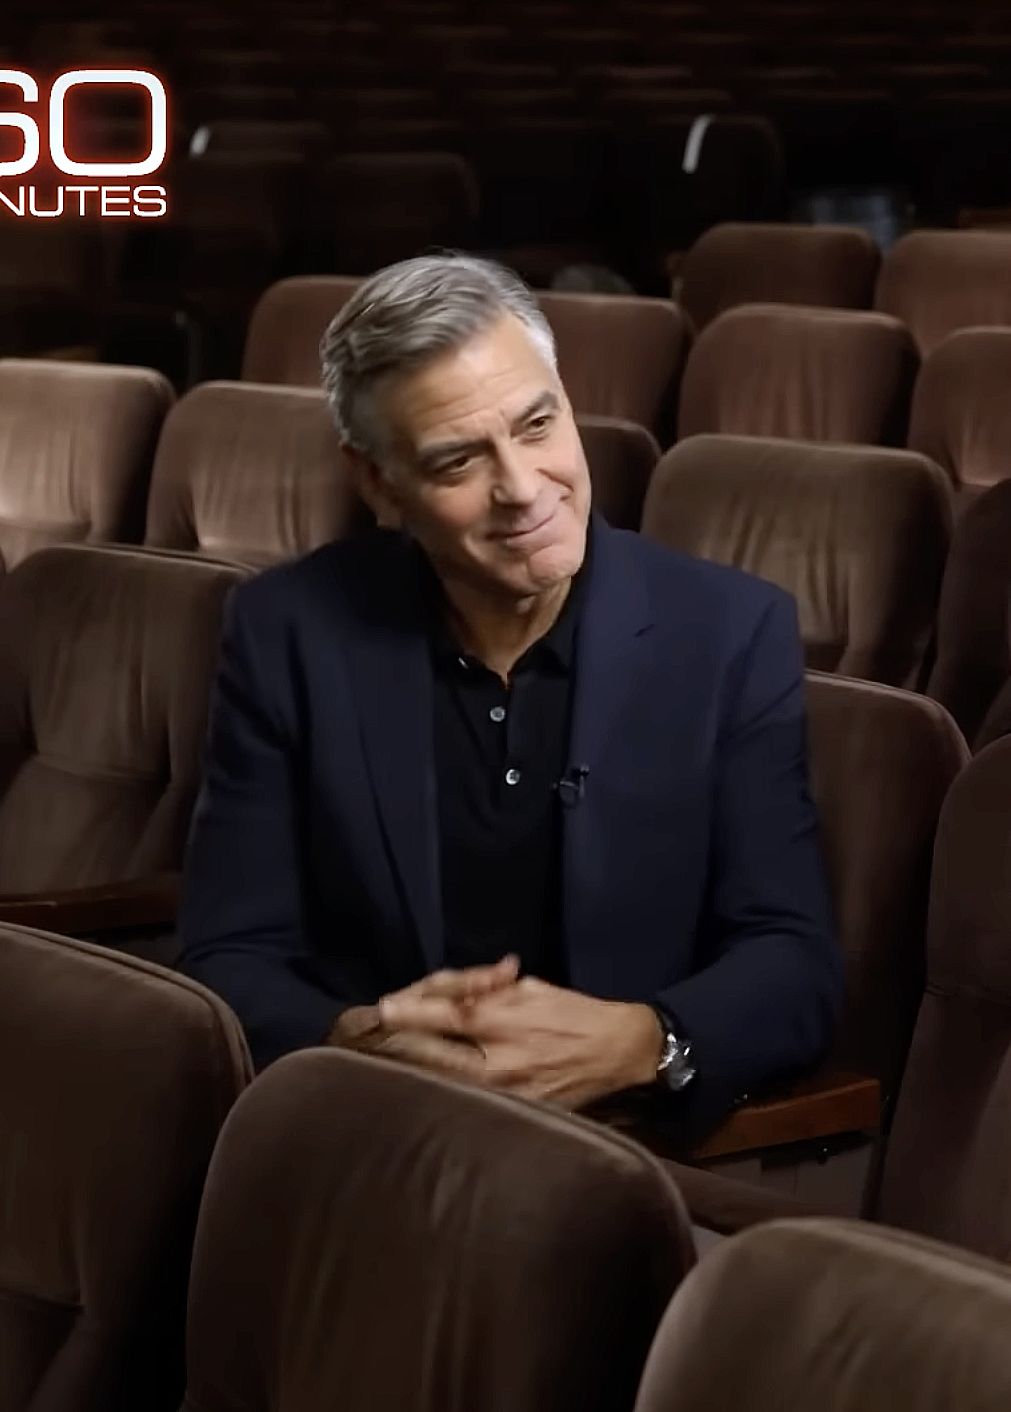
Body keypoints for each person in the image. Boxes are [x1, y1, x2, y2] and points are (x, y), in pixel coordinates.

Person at [177, 253, 841, 1137]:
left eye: (537, 424)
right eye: (457, 461)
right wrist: (352, 1041)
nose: (523, 490)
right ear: (377, 483)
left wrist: (643, 1042)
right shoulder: (284, 630)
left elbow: (792, 960)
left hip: (616, 1148)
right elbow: (228, 952)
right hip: (363, 1132)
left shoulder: (730, 632)